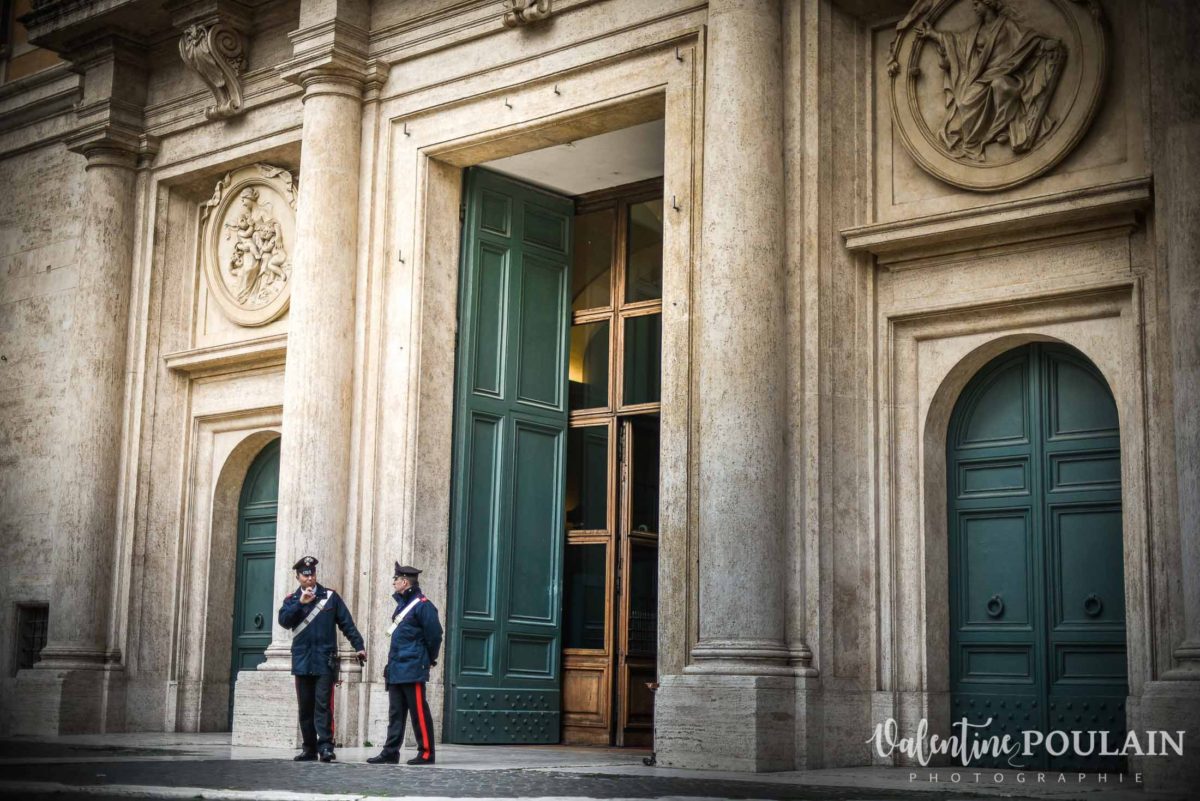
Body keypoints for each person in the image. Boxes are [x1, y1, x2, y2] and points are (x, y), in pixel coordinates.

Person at [277, 555, 366, 763]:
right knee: (305, 708)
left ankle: (326, 746)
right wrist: (300, 603)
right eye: (305, 575)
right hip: (302, 661)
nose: (310, 579)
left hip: (325, 661)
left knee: (323, 706)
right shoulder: (291, 599)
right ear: (298, 577)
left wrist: (359, 646)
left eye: (312, 574)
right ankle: (308, 748)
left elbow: (347, 623)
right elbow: (284, 621)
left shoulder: (330, 597)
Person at [367, 564, 443, 765]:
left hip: (412, 667)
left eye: (396, 579)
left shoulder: (423, 605)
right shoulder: (402, 604)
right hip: (397, 667)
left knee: (418, 712)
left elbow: (435, 635)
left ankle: (426, 752)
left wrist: (429, 659)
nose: (393, 582)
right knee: (395, 713)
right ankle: (390, 752)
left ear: (405, 582)